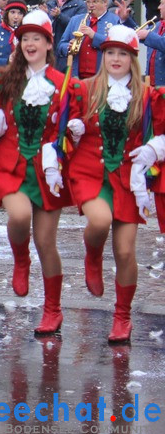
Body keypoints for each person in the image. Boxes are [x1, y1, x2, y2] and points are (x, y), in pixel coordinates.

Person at [0, 10, 84, 335]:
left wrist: (74, 126)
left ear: (50, 44)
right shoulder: (7, 78)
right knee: (19, 217)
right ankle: (21, 259)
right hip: (12, 162)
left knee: (47, 242)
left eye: (37, 38)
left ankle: (53, 309)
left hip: (48, 169)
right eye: (25, 38)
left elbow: (73, 121)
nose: (30, 43)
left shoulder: (64, 85)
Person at [68, 25, 161, 343]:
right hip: (89, 170)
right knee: (99, 219)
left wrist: (152, 149)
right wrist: (74, 127)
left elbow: (160, 134)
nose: (116, 58)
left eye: (123, 53)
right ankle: (92, 254)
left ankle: (122, 316)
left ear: (133, 58)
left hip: (127, 177)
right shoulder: (84, 89)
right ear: (102, 55)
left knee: (125, 251)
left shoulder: (147, 96)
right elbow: (64, 123)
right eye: (110, 52)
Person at [57, 0, 120, 78]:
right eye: (88, 2)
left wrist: (94, 36)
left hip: (102, 76)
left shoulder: (114, 20)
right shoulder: (75, 20)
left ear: (105, 3)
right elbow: (60, 46)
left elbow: (116, 46)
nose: (90, 5)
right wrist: (68, 47)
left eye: (95, 1)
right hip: (77, 75)